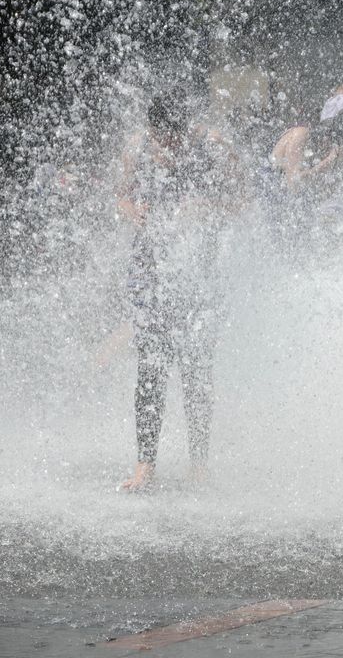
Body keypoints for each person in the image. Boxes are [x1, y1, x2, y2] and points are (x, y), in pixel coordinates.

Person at [119, 88, 244, 491]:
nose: (166, 146)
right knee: (151, 366)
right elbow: (120, 194)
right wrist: (131, 210)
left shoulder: (213, 147)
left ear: (187, 127)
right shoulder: (138, 149)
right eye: (160, 137)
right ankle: (144, 464)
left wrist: (204, 207)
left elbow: (243, 201)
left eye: (174, 137)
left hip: (200, 275)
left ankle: (199, 464)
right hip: (150, 272)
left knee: (195, 370)